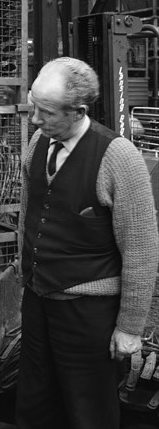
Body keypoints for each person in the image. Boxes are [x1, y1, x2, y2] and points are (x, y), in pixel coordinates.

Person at [16, 57, 159, 429]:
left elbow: (142, 251)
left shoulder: (118, 157)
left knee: (88, 411)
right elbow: (31, 216)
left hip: (88, 313)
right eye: (33, 106)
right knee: (36, 403)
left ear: (78, 111)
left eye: (45, 112)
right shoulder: (38, 143)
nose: (34, 119)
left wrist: (130, 327)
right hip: (38, 301)